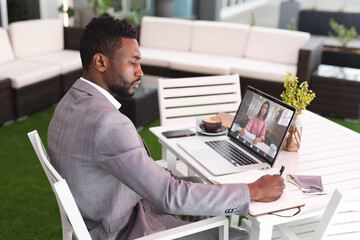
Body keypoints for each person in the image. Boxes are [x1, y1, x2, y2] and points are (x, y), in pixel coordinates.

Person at [47, 17, 285, 240]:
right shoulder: (107, 122)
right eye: (132, 62)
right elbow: (172, 197)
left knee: (195, 181)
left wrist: (158, 176)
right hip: (123, 229)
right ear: (100, 62)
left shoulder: (70, 100)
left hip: (100, 209)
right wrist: (252, 190)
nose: (140, 72)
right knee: (239, 237)